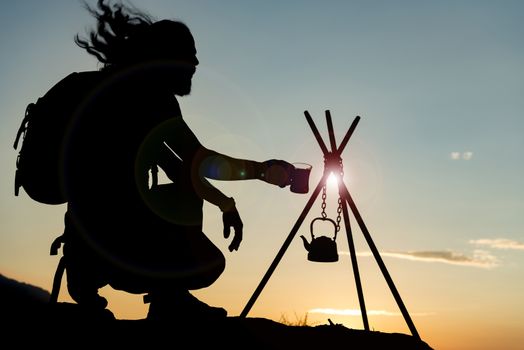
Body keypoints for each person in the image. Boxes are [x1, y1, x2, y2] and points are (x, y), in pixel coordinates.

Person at [60, 0, 296, 321]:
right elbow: (200, 162)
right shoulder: (151, 97)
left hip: (87, 231)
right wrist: (263, 170)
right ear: (166, 57)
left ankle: (86, 275)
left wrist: (225, 203)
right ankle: (168, 298)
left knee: (185, 195)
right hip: (117, 234)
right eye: (189, 52)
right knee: (209, 264)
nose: (197, 60)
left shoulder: (116, 91)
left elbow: (185, 169)